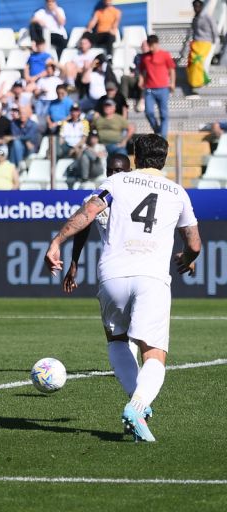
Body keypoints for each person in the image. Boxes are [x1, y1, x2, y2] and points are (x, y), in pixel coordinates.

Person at [45, 134, 201, 442]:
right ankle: (137, 405)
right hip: (152, 277)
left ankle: (137, 406)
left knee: (117, 341)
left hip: (113, 275)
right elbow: (194, 243)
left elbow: (89, 212)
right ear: (164, 160)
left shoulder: (115, 182)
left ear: (136, 157)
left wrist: (56, 241)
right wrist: (187, 258)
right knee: (153, 353)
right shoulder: (177, 192)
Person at [62, 153, 132, 294]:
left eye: (118, 171)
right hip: (112, 269)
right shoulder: (92, 201)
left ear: (129, 172)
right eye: (110, 171)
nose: (113, 175)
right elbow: (82, 231)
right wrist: (74, 263)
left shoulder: (139, 198)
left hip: (139, 265)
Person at [139, 35, 176, 140]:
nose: (151, 48)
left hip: (163, 88)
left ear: (157, 44)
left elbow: (171, 69)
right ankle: (157, 130)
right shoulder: (145, 57)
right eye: (149, 46)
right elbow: (142, 70)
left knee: (163, 113)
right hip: (150, 89)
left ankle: (163, 137)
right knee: (148, 112)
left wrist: (172, 83)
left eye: (153, 45)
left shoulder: (165, 55)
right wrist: (141, 80)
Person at [187, 0, 217, 92]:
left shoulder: (207, 17)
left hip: (207, 43)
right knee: (192, 62)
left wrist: (215, 43)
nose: (196, 8)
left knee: (200, 62)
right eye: (194, 6)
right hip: (196, 44)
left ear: (201, 7)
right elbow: (192, 33)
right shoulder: (195, 19)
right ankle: (195, 82)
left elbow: (214, 30)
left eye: (198, 6)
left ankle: (202, 80)